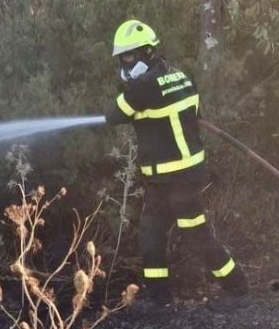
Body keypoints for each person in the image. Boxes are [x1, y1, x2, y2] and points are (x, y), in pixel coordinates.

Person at [104, 19, 250, 311]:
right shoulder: (180, 75)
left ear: (148, 52)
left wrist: (132, 95)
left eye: (129, 56)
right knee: (151, 233)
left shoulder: (144, 88)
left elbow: (112, 115)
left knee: (195, 234)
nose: (125, 64)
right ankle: (159, 297)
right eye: (122, 58)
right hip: (164, 179)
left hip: (181, 178)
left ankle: (237, 288)